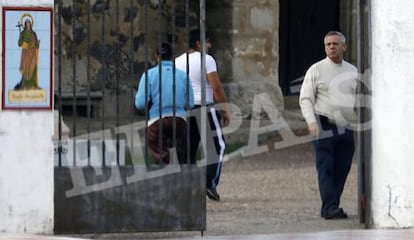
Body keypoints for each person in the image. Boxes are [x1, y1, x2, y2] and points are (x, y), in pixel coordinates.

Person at [299, 31, 358, 219]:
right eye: (328, 44)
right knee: (326, 166)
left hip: (346, 126)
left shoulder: (353, 71)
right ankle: (330, 207)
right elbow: (305, 98)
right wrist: (311, 121)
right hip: (324, 123)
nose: (332, 47)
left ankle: (332, 205)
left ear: (344, 47)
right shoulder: (316, 70)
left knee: (343, 166)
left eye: (335, 43)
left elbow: (358, 100)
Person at [175, 29, 231, 201]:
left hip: (185, 109)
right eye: (207, 42)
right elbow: (216, 87)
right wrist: (225, 109)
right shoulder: (206, 59)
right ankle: (208, 182)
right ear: (198, 44)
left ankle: (188, 186)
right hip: (204, 107)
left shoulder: (178, 61)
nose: (210, 45)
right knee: (217, 145)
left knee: (187, 149)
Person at [135, 42, 194, 165]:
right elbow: (191, 103)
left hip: (157, 119)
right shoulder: (183, 75)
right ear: (173, 57)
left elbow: (140, 103)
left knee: (158, 149)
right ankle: (178, 169)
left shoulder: (149, 75)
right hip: (179, 120)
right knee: (179, 151)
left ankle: (164, 167)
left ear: (157, 56)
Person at [16, 17, 40, 90]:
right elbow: (19, 44)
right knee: (26, 68)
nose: (28, 24)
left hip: (32, 54)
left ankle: (33, 85)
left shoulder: (34, 33)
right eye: (26, 23)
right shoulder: (23, 33)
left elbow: (36, 44)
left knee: (33, 68)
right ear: (25, 24)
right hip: (26, 53)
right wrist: (24, 43)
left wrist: (37, 44)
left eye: (29, 23)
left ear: (31, 24)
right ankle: (24, 85)